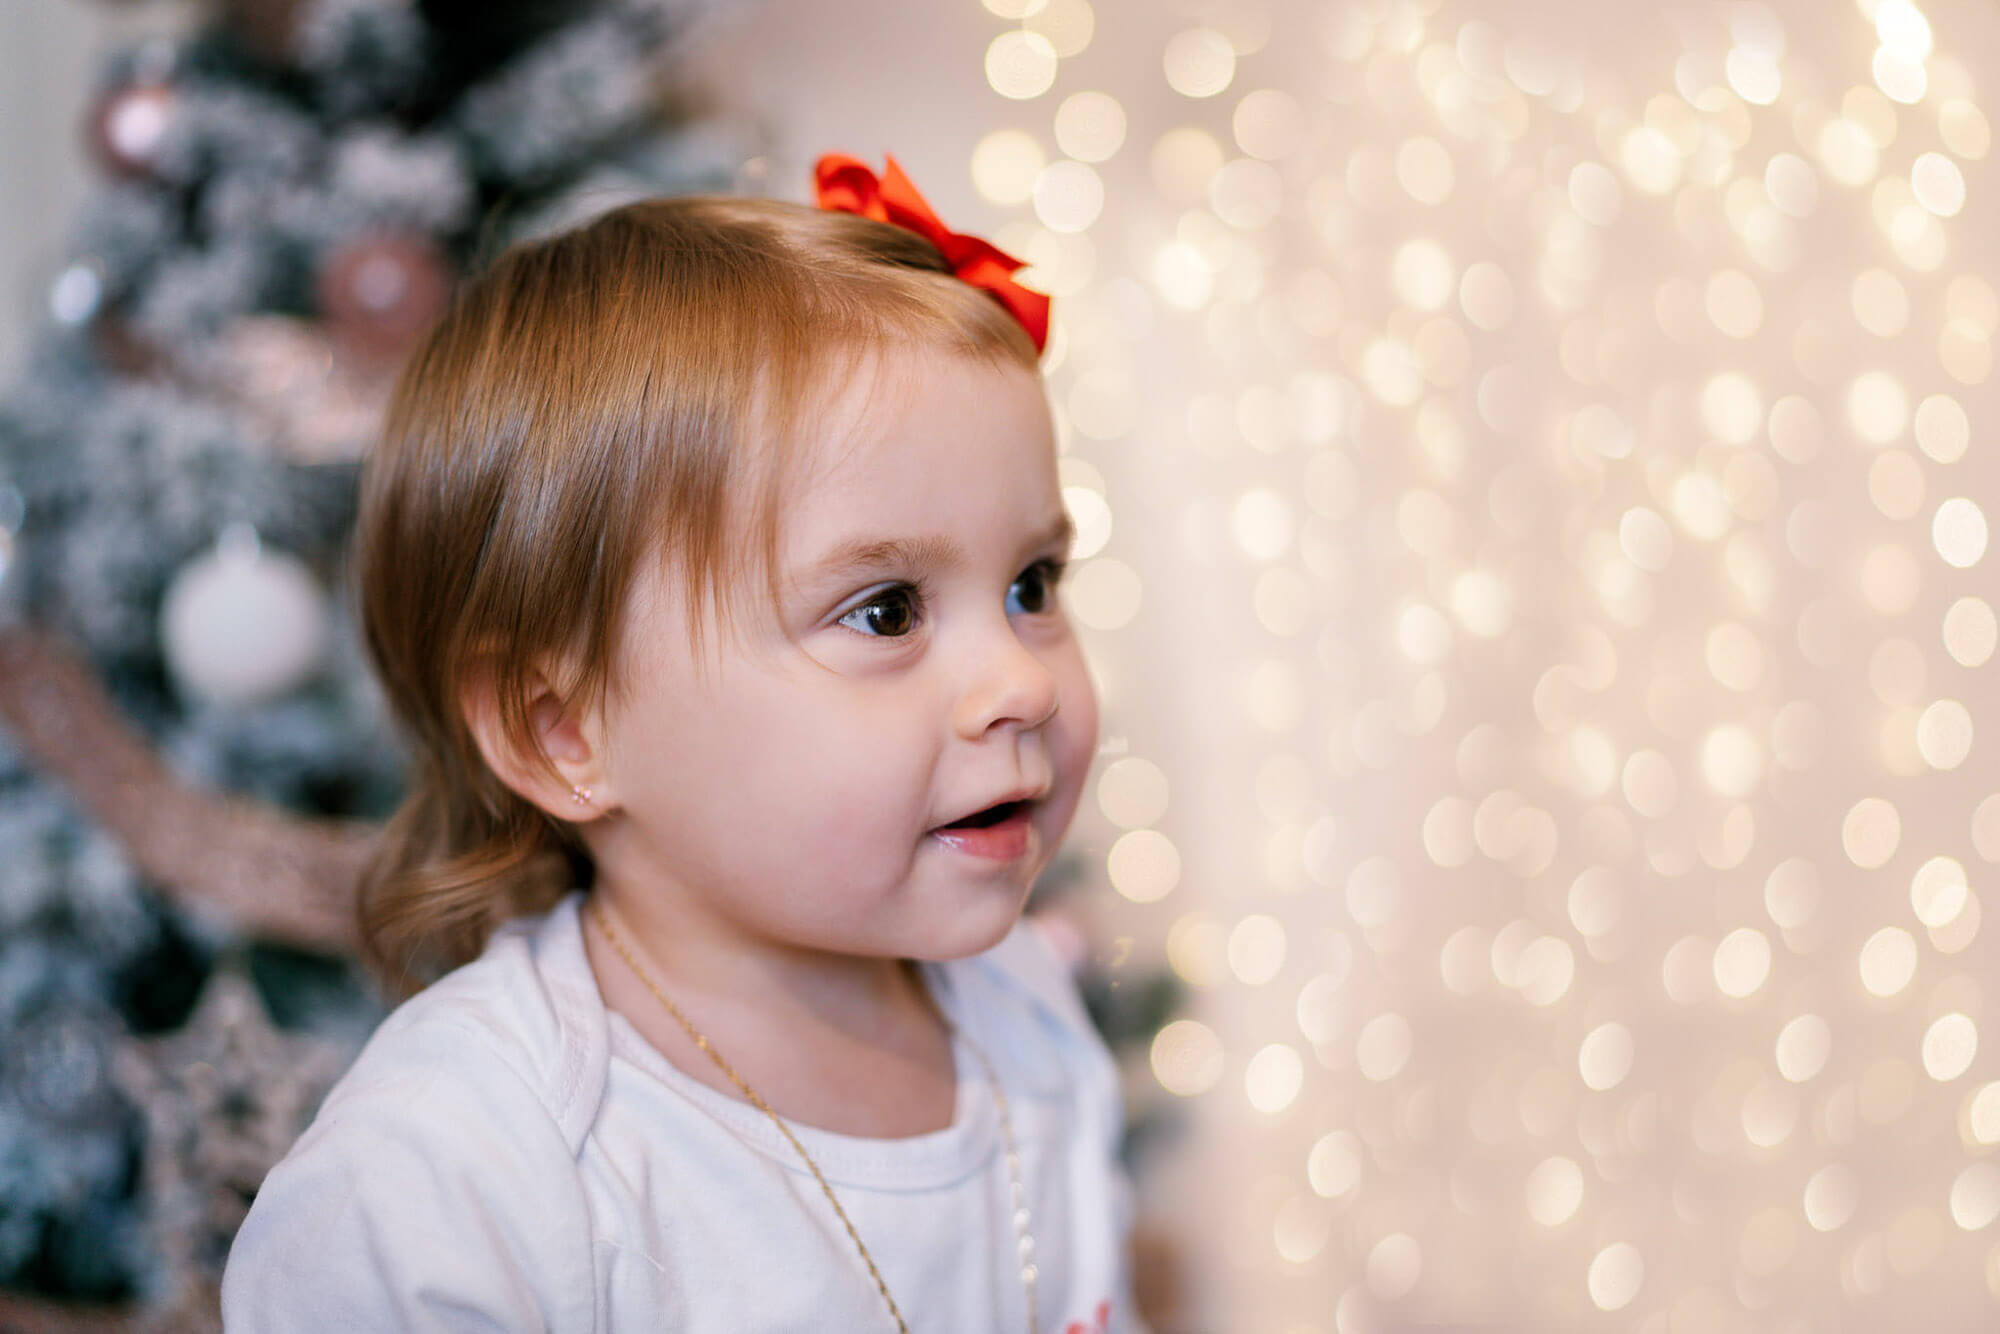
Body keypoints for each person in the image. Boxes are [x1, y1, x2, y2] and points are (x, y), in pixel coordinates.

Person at [219, 154, 1140, 1333]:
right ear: (563, 732)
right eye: (886, 610)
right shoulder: (455, 1174)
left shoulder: (1020, 1009)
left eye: (1031, 582)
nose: (1019, 679)